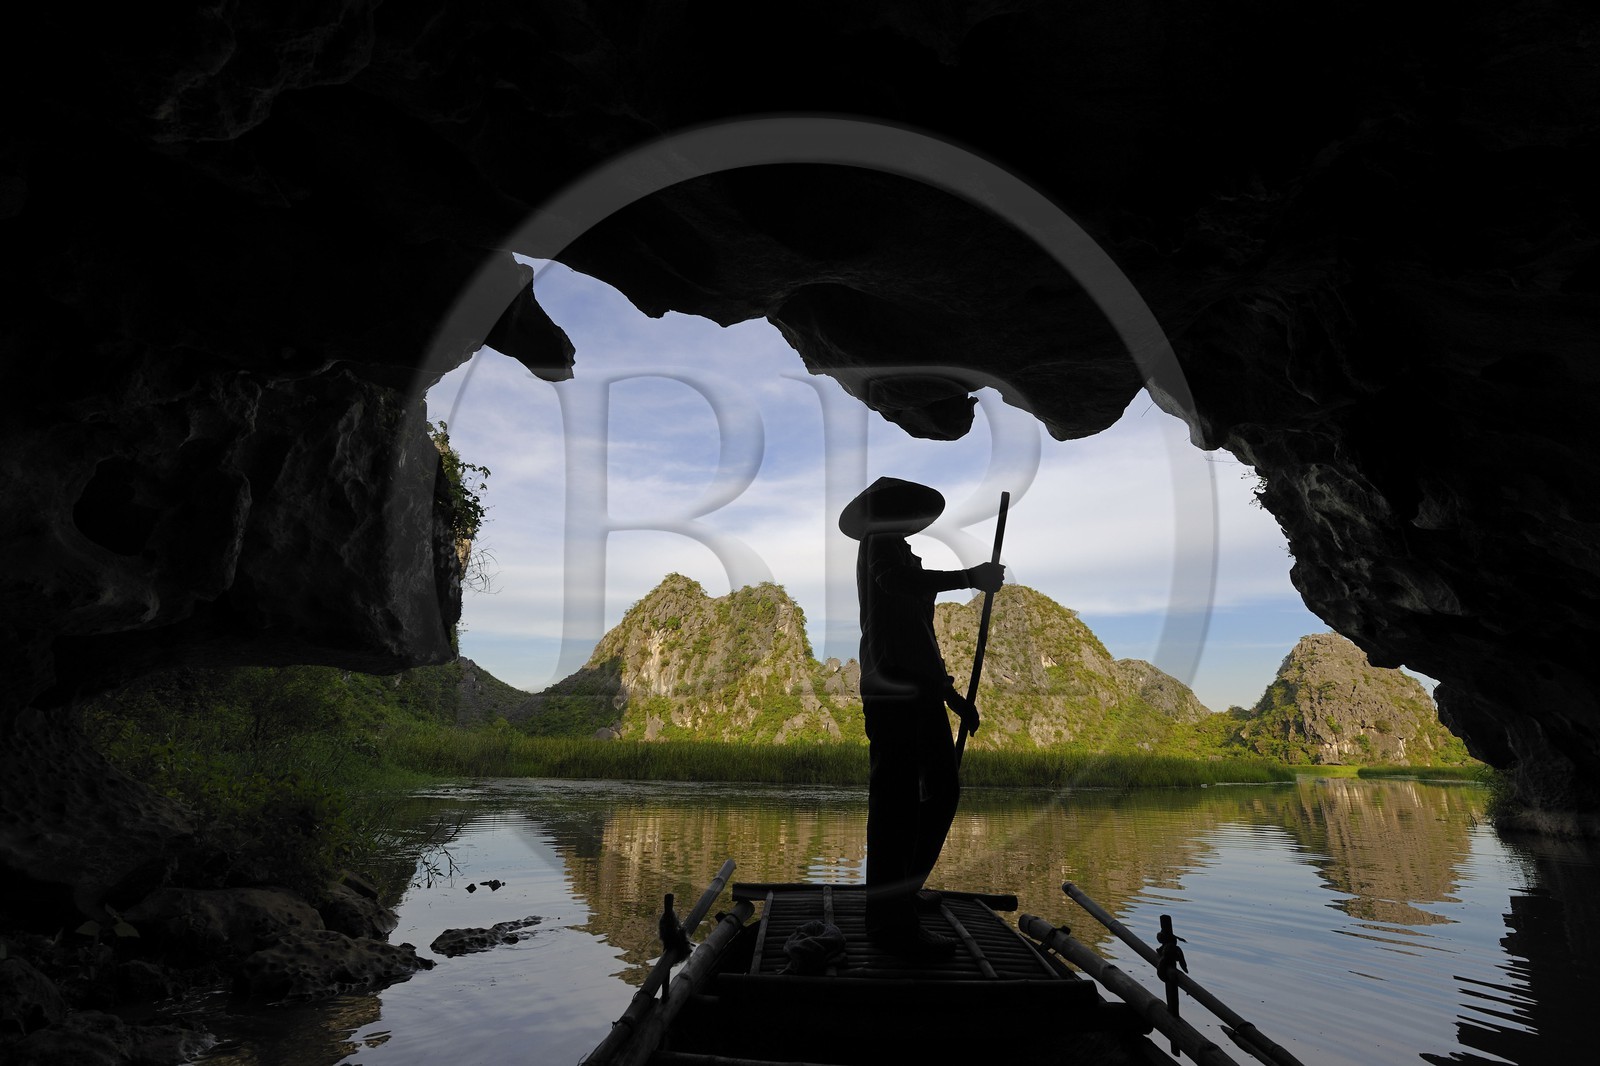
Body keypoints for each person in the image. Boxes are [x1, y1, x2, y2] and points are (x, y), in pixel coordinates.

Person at [839, 477, 1004, 960]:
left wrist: (952, 697)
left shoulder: (900, 552)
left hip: (922, 689)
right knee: (896, 803)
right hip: (893, 690)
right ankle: (890, 922)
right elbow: (897, 584)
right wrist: (969, 578)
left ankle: (902, 892)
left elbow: (917, 635)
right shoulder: (879, 546)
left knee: (941, 791)